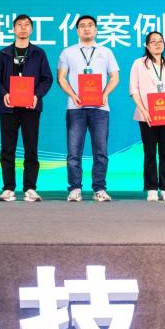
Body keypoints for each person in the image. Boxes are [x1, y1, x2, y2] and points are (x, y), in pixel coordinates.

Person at [0, 14, 53, 202]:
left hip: (31, 107)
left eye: (26, 25)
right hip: (8, 108)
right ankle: (8, 188)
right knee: (7, 148)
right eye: (19, 25)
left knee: (31, 148)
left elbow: (47, 79)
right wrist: (4, 94)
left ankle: (30, 188)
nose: (23, 28)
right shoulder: (3, 54)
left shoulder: (39, 53)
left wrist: (36, 95)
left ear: (31, 29)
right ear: (14, 29)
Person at [57, 14, 121, 202]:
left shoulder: (106, 52)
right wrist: (73, 95)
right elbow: (61, 78)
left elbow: (115, 77)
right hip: (75, 108)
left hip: (100, 108)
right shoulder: (67, 52)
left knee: (100, 152)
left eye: (90, 25)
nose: (86, 28)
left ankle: (99, 189)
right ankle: (75, 188)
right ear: (77, 31)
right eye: (82, 26)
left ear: (96, 29)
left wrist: (105, 93)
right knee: (73, 152)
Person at [128, 30, 165, 201]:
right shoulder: (138, 64)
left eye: (160, 41)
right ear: (147, 45)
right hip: (147, 116)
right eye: (153, 41)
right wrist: (143, 110)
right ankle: (151, 188)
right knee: (150, 152)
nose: (157, 44)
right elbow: (134, 89)